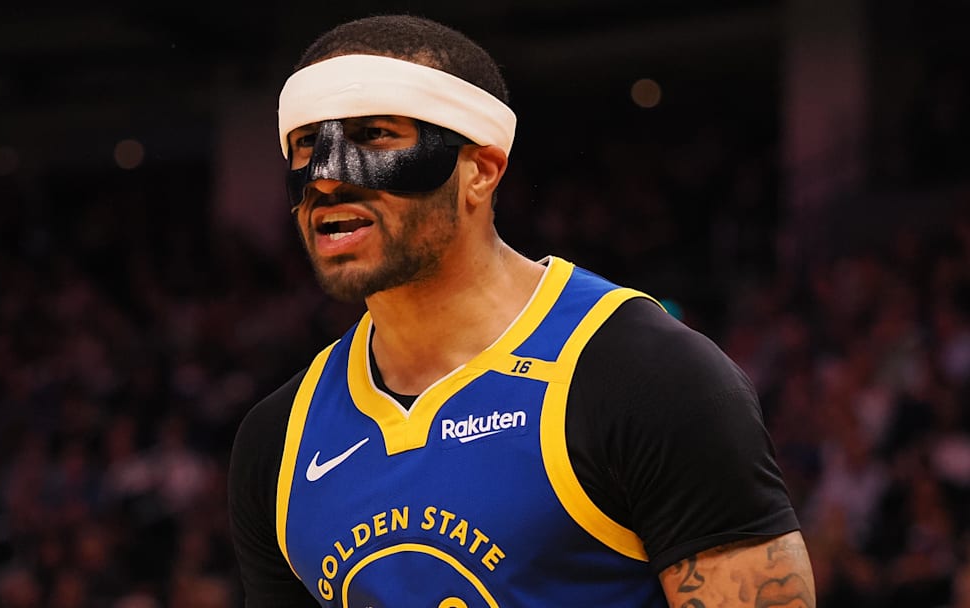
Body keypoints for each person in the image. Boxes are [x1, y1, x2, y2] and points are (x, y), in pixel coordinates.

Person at [228, 14, 816, 608]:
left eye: (374, 135)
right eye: (307, 144)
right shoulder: (278, 440)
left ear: (480, 171)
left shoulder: (646, 374)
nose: (327, 177)